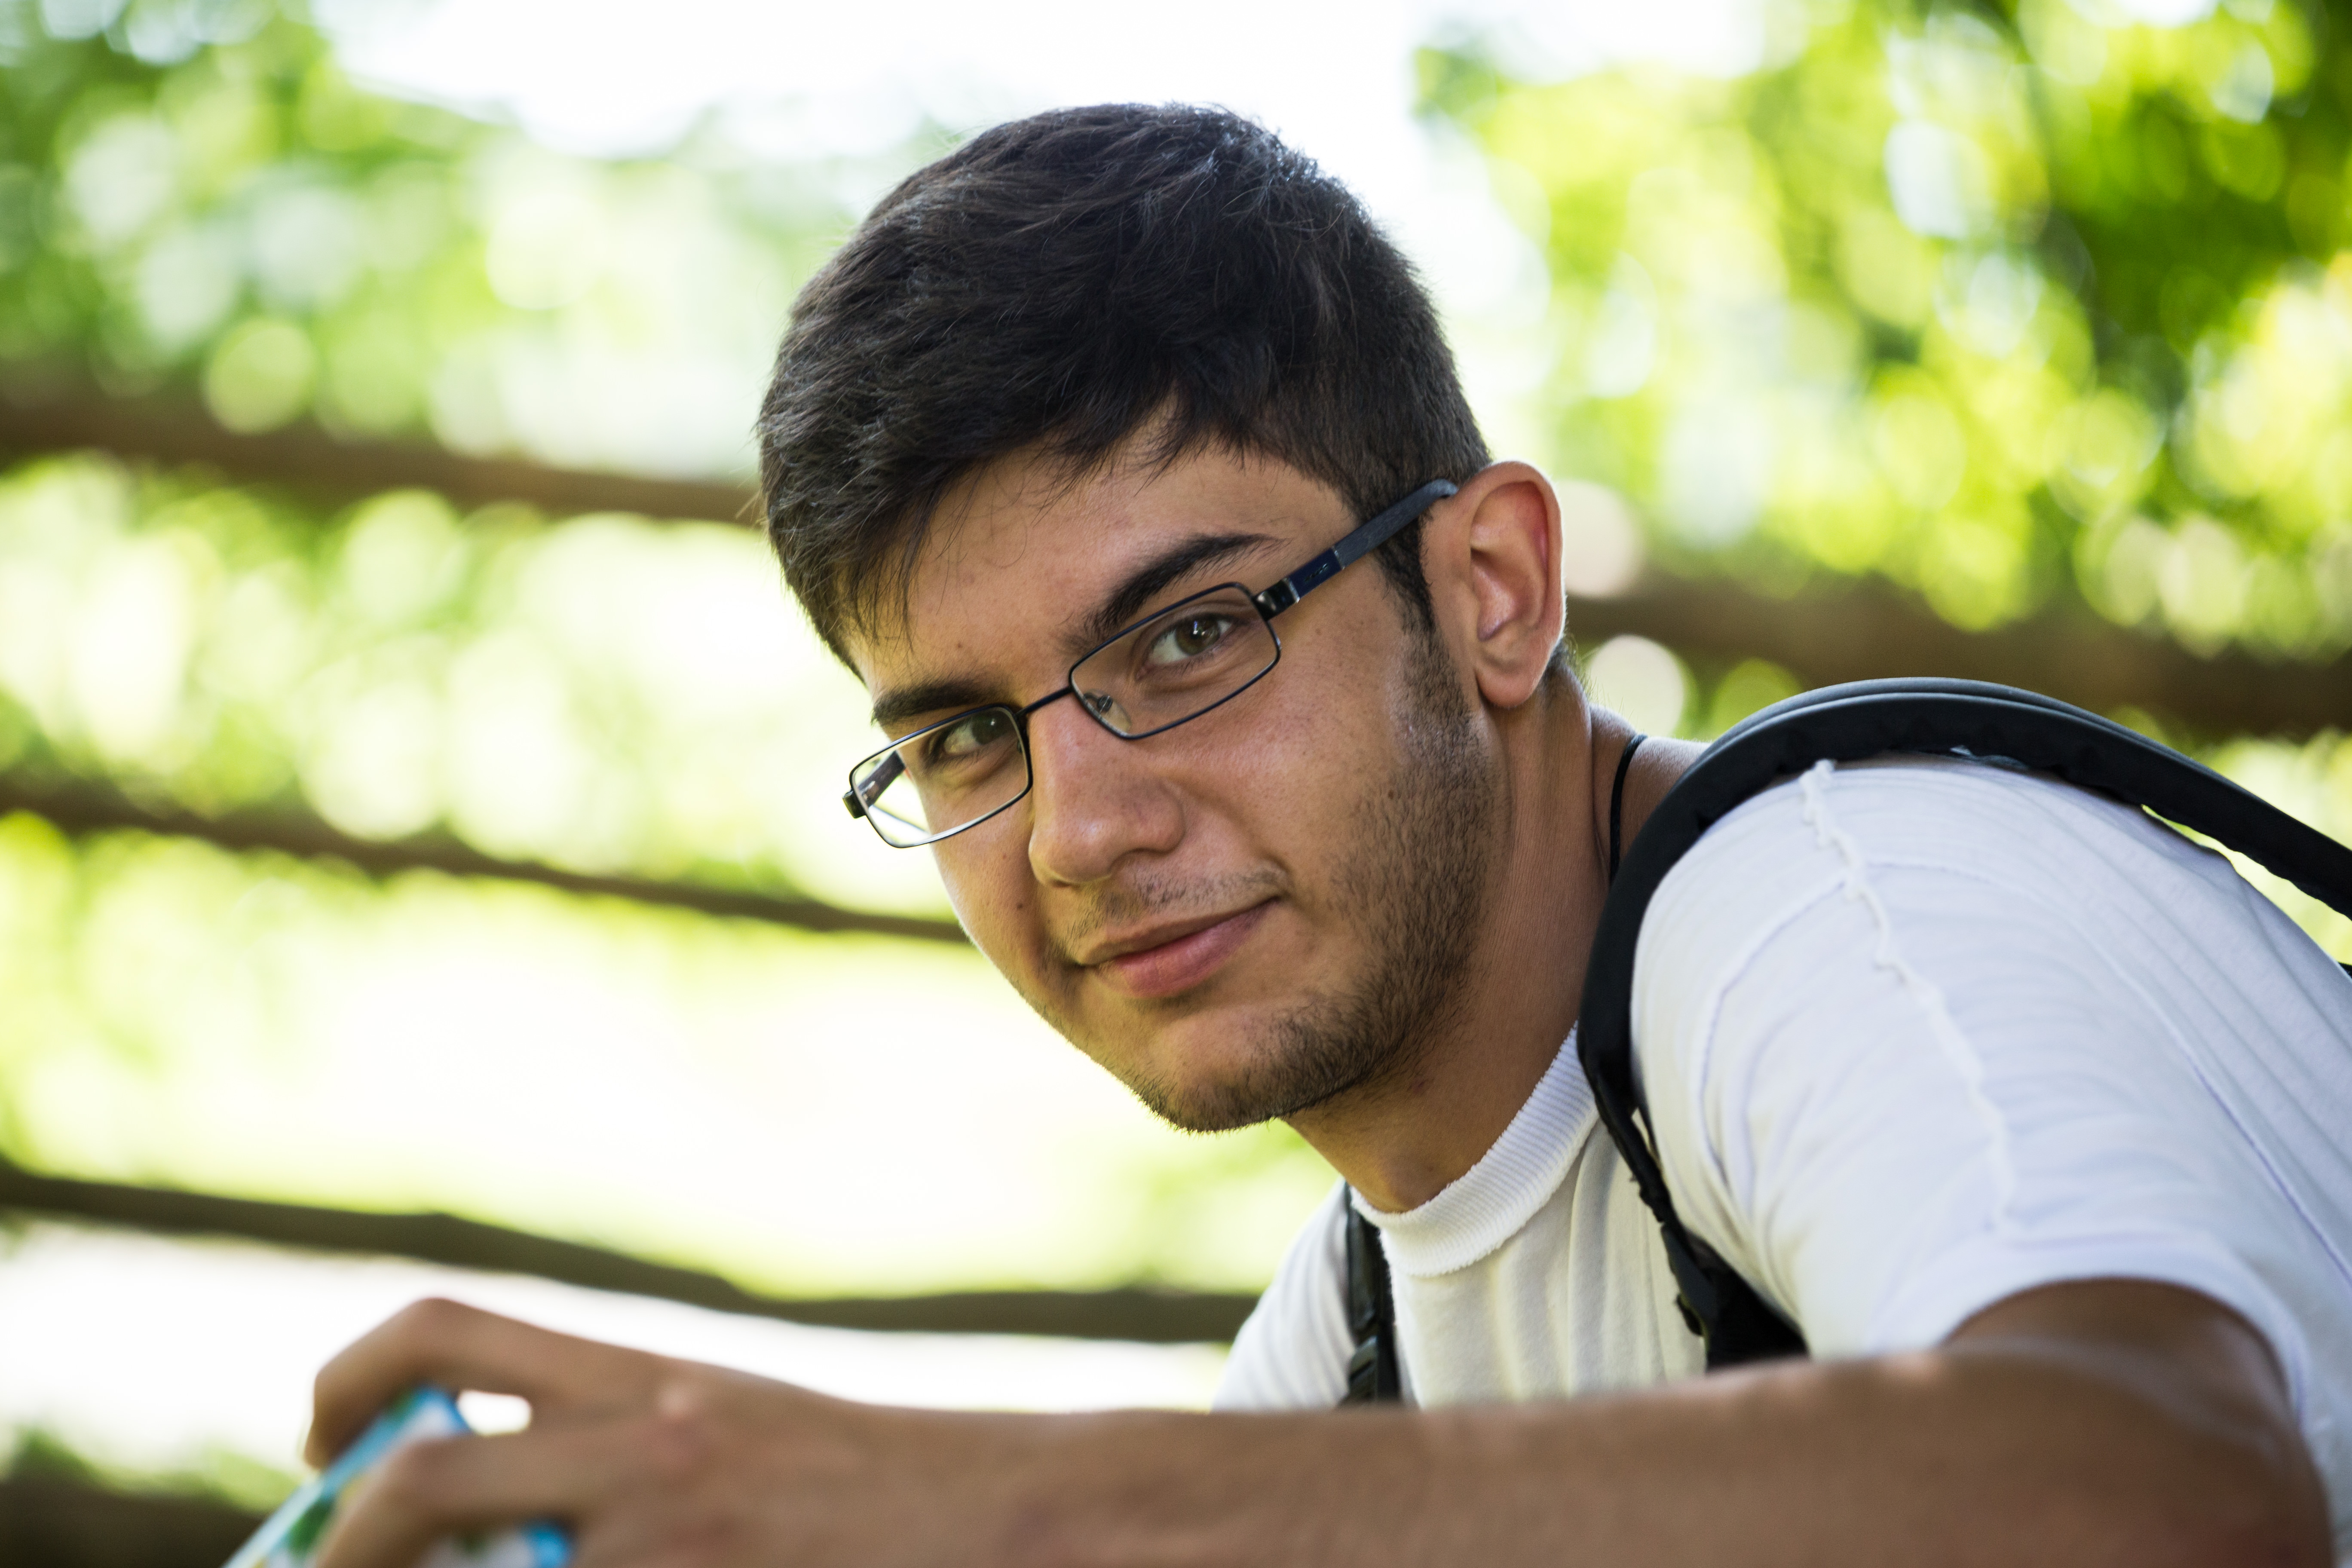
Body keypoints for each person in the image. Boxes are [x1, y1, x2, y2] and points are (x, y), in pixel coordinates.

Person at [305, 104, 2352, 1567]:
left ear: (1493, 594)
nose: (1080, 830)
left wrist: (988, 1496)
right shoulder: (1357, 1342)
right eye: (961, 736)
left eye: (1191, 635)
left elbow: (2167, 1491)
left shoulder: (1831, 904)